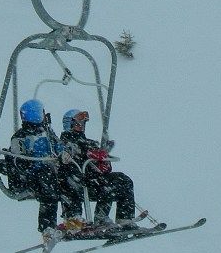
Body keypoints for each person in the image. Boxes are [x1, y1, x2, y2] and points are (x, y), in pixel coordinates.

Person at [58, 108, 136, 224]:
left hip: (93, 180)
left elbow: (102, 165)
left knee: (123, 180)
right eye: (78, 123)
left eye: (83, 123)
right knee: (105, 185)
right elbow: (70, 156)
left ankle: (125, 219)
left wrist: (103, 161)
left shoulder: (90, 143)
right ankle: (94, 218)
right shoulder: (65, 142)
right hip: (78, 182)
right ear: (70, 124)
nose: (81, 126)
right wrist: (88, 154)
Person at [9, 98, 63, 232]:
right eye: (42, 113)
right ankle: (47, 227)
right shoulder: (20, 136)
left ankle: (73, 217)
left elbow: (58, 145)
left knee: (68, 177)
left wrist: (64, 153)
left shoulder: (47, 132)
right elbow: (19, 160)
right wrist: (39, 161)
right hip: (30, 177)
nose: (45, 116)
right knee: (48, 182)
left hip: (48, 172)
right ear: (36, 114)